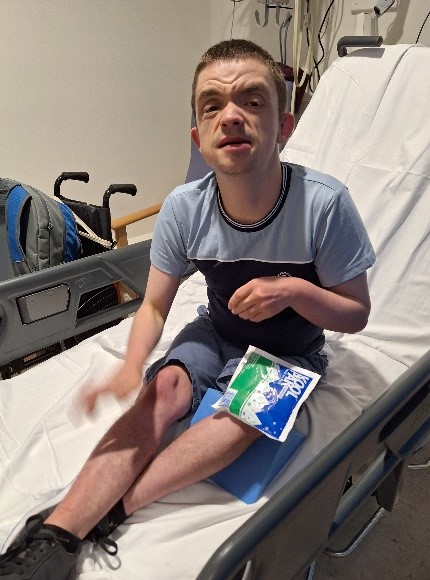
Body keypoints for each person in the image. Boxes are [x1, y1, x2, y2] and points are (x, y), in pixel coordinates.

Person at [0, 39, 375, 579]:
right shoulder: (185, 208)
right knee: (165, 390)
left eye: (252, 100)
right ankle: (53, 535)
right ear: (199, 139)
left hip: (291, 351)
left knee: (243, 416)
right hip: (217, 332)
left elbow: (356, 314)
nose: (232, 116)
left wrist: (293, 291)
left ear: (285, 127)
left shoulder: (324, 205)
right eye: (212, 105)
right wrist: (132, 365)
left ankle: (113, 513)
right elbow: (154, 305)